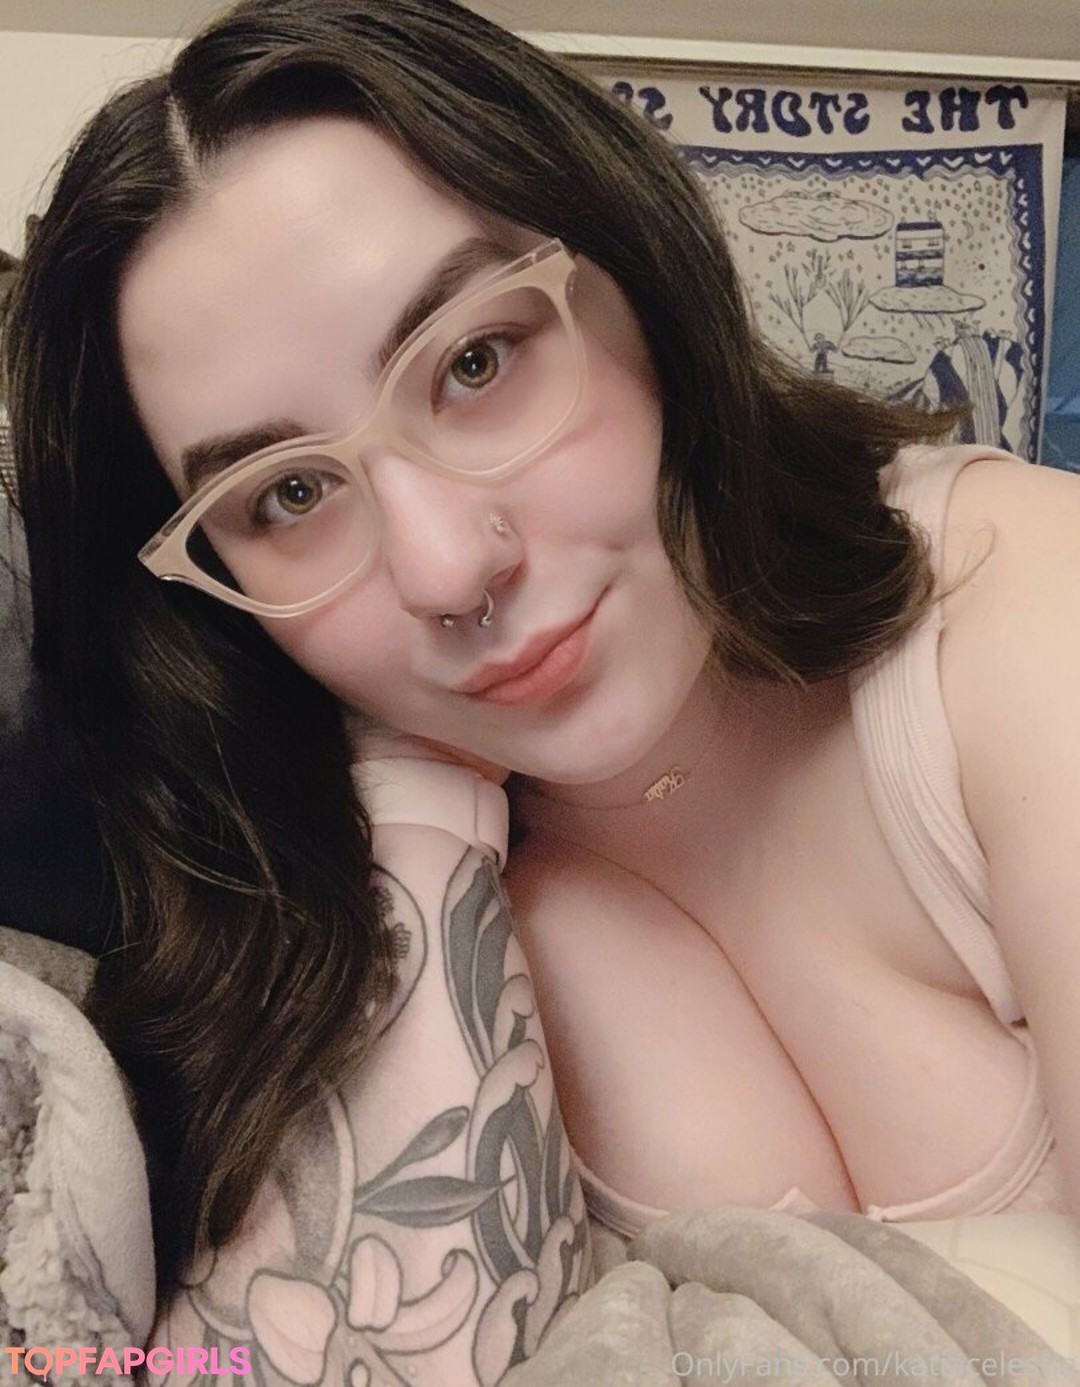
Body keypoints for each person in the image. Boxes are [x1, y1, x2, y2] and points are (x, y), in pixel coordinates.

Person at [3, 0, 1079, 1376]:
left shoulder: (1020, 609)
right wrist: (410, 810)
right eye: (290, 497)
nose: (448, 569)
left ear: (642, 277)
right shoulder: (356, 858)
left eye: (474, 362)